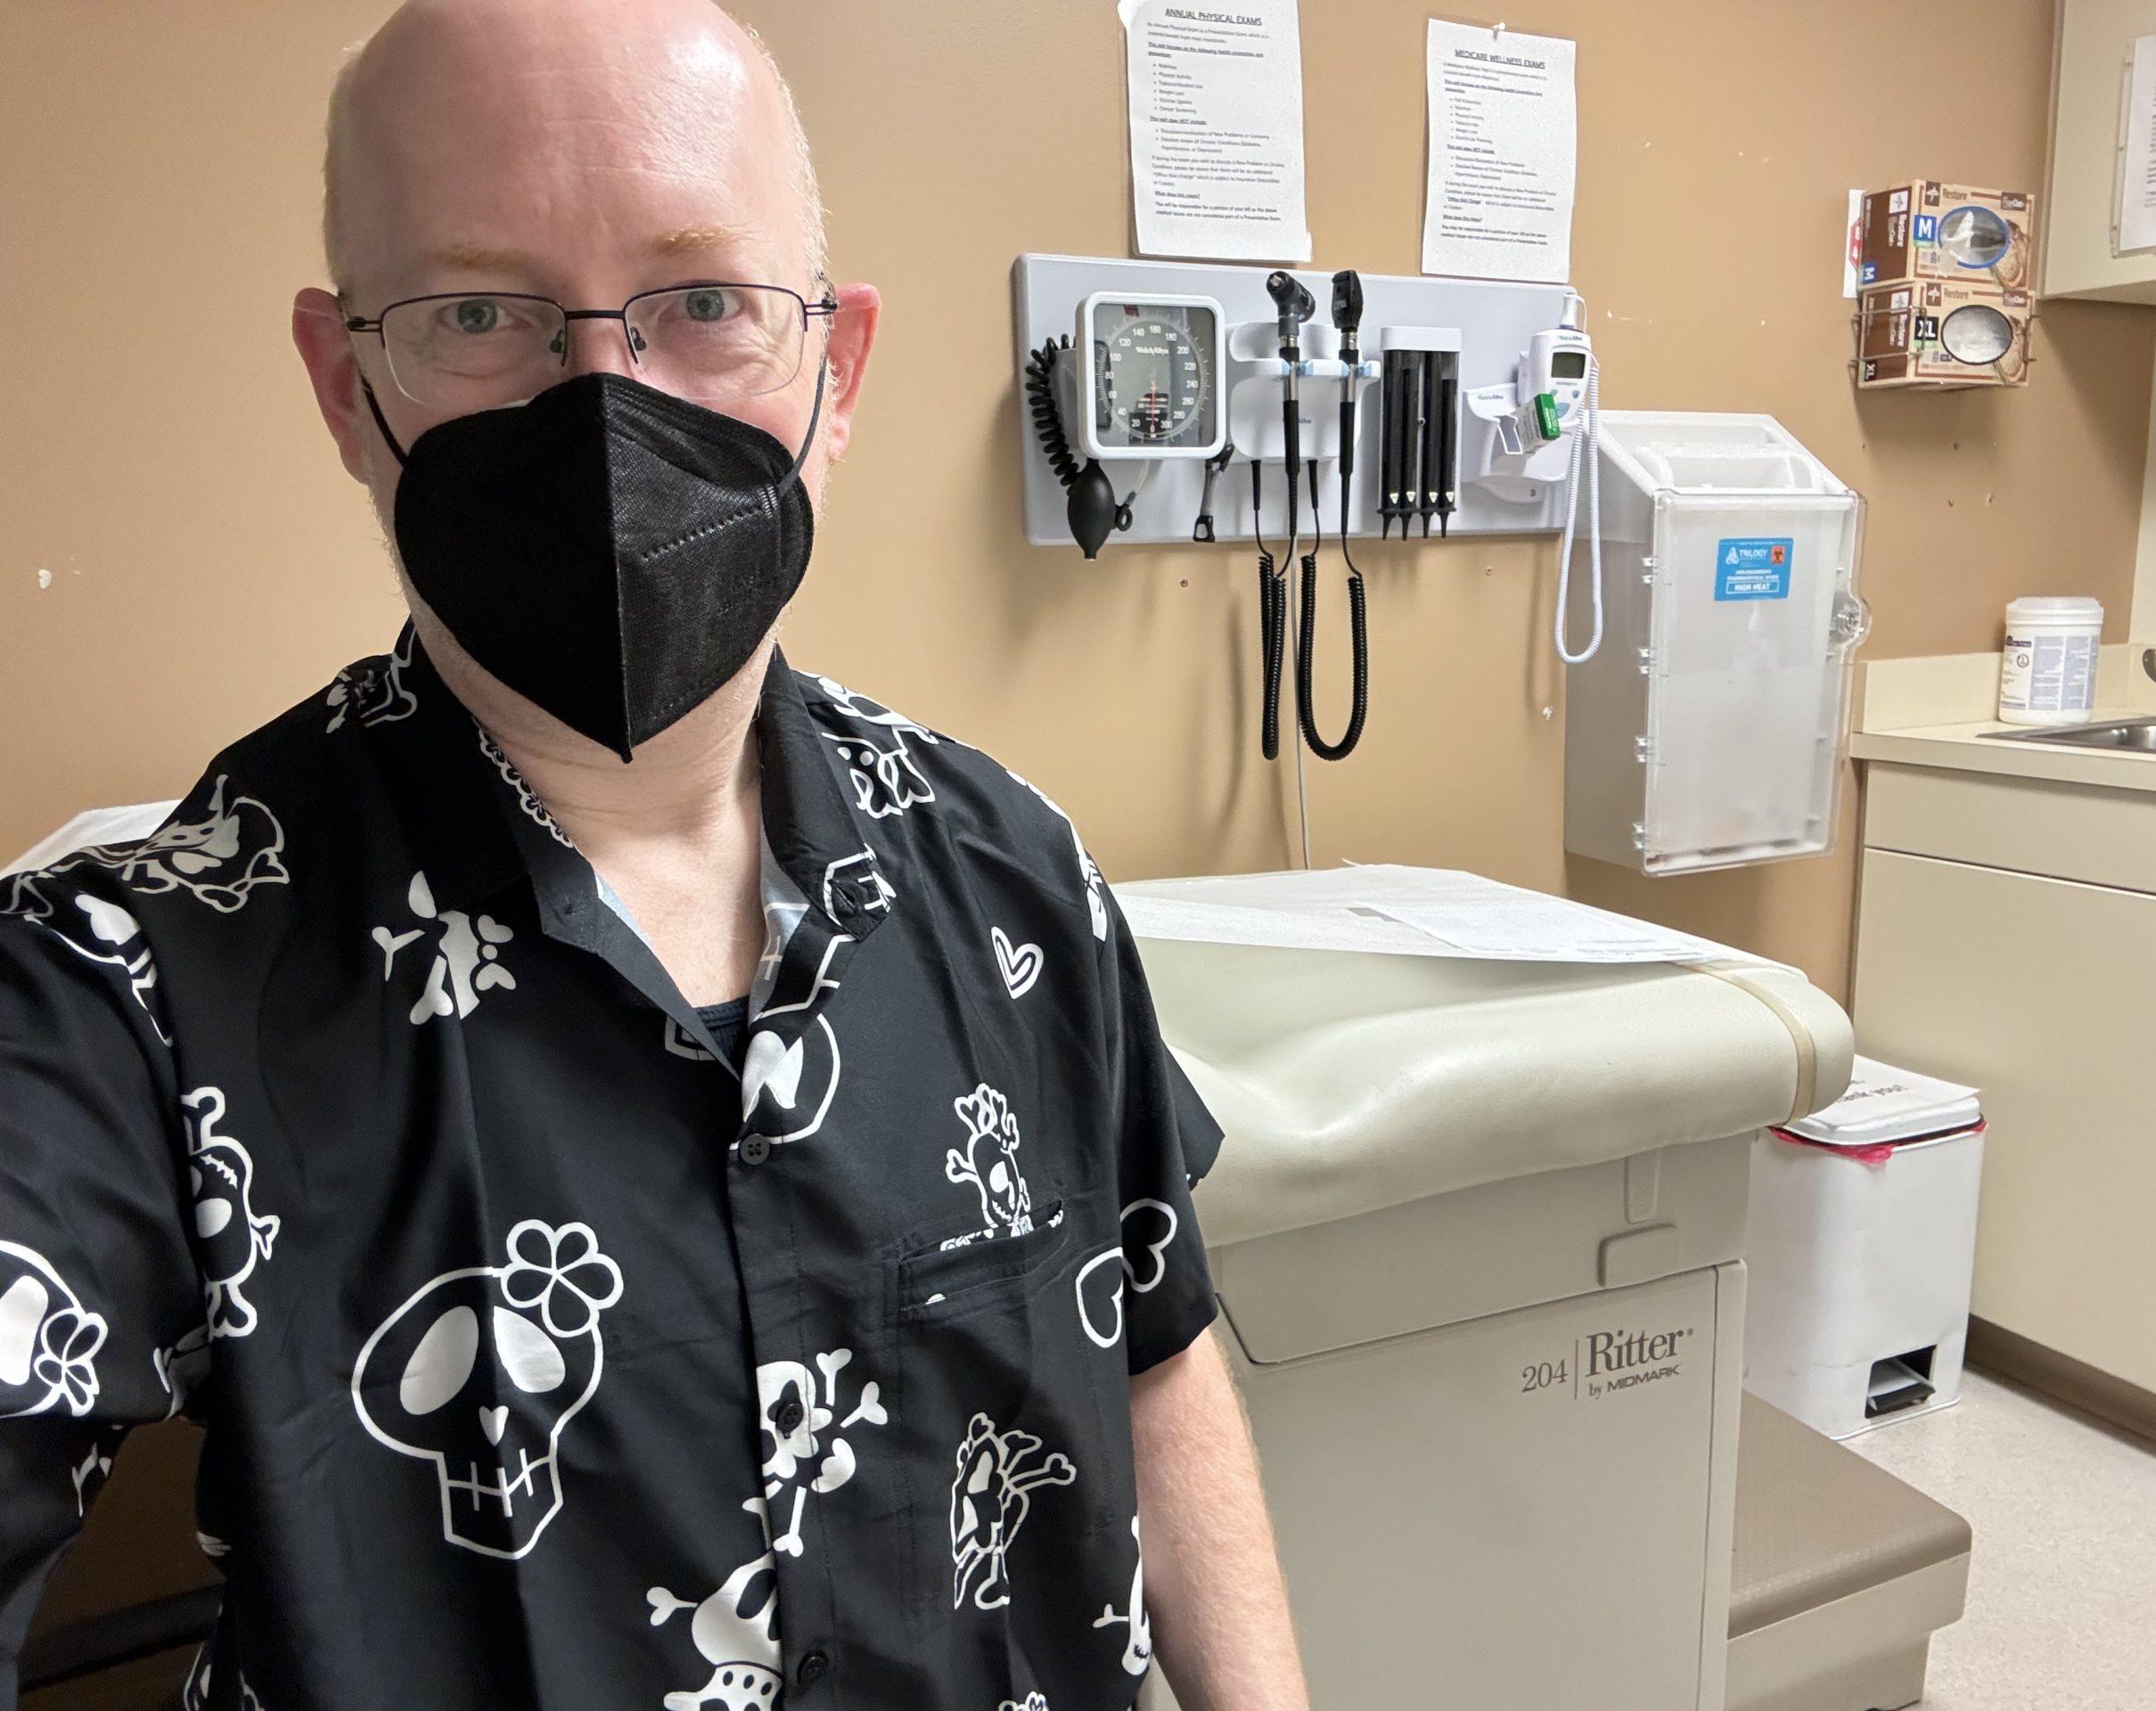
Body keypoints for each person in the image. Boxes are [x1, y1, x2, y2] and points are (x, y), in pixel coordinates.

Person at [0, 3, 1311, 1706]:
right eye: (481, 311)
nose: (604, 398)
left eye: (704, 303)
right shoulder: (138, 986)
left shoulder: (1012, 871)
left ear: (832, 373)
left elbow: (1155, 1348)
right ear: (347, 385)